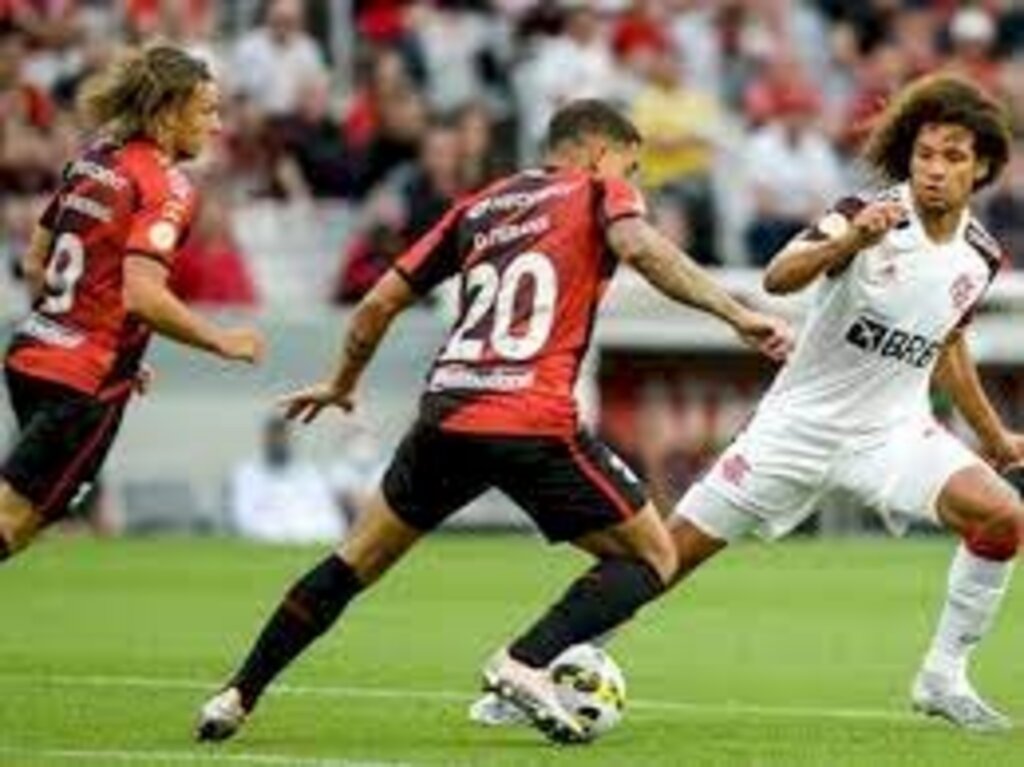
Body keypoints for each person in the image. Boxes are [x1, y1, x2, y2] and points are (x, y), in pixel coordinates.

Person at [195, 98, 792, 745]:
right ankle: (525, 660)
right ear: (597, 151)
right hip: (530, 414)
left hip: (447, 411)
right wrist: (735, 313)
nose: (635, 180)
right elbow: (640, 247)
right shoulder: (601, 188)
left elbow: (376, 303)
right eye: (632, 163)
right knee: (654, 556)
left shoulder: (477, 207)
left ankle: (237, 693)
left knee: (353, 561)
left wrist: (343, 383)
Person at [471, 74, 1024, 733]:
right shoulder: (865, 212)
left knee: (1001, 517)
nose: (935, 169)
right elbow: (779, 275)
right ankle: (530, 667)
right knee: (661, 559)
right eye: (925, 154)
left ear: (982, 166)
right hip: (792, 431)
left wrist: (994, 437)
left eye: (953, 157)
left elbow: (949, 343)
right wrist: (851, 241)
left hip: (892, 434)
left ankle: (943, 676)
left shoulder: (980, 256)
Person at [0, 44, 265, 563]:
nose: (216, 126)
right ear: (168, 113)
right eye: (207, 110)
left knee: (28, 521)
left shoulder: (94, 161)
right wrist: (222, 340)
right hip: (83, 380)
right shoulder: (167, 186)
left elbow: (35, 261)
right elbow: (141, 294)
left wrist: (112, 342)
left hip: (32, 356)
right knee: (11, 520)